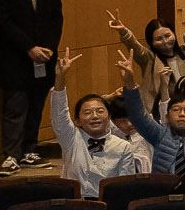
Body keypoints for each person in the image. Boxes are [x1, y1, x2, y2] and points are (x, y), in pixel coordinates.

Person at [0, 0, 62, 172]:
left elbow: (56, 19)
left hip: (45, 57)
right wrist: (29, 48)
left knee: (37, 104)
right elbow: (3, 22)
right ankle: (11, 155)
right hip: (16, 58)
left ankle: (30, 150)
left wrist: (49, 47)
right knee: (15, 107)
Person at [45, 49, 149, 197]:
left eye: (100, 111)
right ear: (78, 121)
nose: (94, 116)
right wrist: (60, 79)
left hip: (108, 206)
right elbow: (59, 113)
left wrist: (129, 82)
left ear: (109, 117)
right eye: (87, 113)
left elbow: (125, 187)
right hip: (75, 205)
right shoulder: (71, 140)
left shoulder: (122, 146)